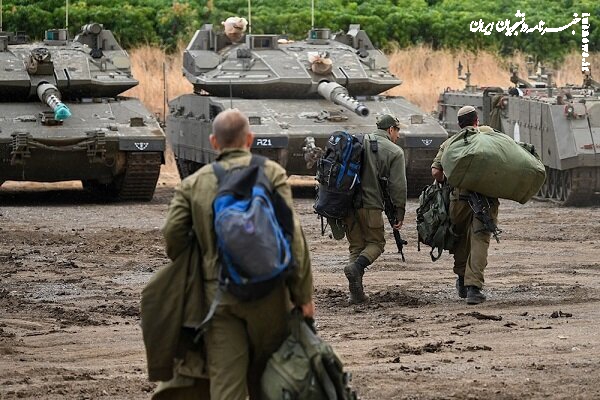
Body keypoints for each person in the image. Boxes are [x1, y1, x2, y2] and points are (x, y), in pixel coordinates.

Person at [162, 108, 315, 399]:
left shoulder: (193, 184)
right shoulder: (271, 173)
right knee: (274, 379)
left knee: (226, 386)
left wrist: (205, 257)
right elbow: (294, 237)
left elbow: (173, 239)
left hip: (220, 297)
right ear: (250, 138)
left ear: (213, 142)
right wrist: (303, 294)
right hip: (272, 294)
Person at [431, 105, 500, 305]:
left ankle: (462, 280)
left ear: (459, 124)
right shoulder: (489, 136)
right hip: (485, 199)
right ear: (476, 121)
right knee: (479, 240)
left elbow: (436, 172)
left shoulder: (450, 142)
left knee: (460, 240)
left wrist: (448, 179)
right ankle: (473, 289)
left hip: (458, 200)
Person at [343, 114, 407, 304]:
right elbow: (398, 187)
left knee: (356, 246)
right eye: (397, 131)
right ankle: (357, 268)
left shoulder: (357, 142)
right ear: (390, 130)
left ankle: (356, 294)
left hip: (347, 205)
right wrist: (399, 212)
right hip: (370, 205)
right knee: (376, 244)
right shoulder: (394, 151)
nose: (398, 136)